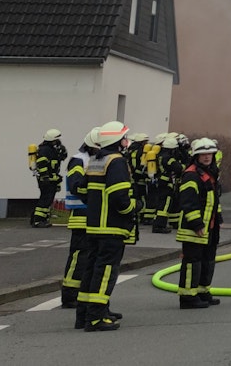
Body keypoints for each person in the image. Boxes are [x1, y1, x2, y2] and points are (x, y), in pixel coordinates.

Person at [78, 121, 138, 332]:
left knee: (91, 269)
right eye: (124, 137)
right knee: (105, 272)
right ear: (117, 140)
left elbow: (84, 191)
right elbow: (119, 197)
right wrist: (132, 208)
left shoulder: (96, 160)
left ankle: (85, 314)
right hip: (111, 227)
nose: (127, 141)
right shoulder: (117, 162)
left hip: (94, 226)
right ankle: (95, 318)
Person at [174, 137, 223, 309]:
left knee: (207, 260)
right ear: (196, 156)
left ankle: (202, 291)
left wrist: (219, 218)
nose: (207, 157)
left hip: (210, 227)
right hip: (194, 228)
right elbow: (188, 202)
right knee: (192, 262)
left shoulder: (211, 173)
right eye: (203, 154)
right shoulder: (191, 175)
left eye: (209, 153)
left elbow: (213, 200)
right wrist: (196, 224)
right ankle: (188, 297)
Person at [61, 128, 97, 310]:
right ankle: (69, 295)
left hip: (92, 214)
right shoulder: (78, 160)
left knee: (88, 257)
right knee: (79, 257)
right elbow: (76, 184)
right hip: (80, 213)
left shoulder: (91, 159)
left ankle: (81, 292)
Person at [31, 129, 68, 227]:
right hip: (46, 180)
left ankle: (41, 219)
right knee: (45, 200)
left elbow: (61, 158)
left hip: (52, 179)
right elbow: (42, 163)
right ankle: (38, 221)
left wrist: (62, 151)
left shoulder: (52, 149)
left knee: (47, 200)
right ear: (52, 139)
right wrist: (45, 177)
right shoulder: (45, 150)